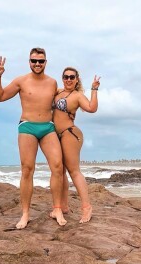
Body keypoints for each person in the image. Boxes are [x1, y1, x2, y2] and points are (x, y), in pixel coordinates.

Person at [0, 47, 67, 229]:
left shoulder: (52, 82)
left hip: (48, 127)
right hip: (27, 127)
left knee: (58, 166)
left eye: (40, 61)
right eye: (34, 61)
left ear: (45, 63)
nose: (37, 64)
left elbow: (64, 102)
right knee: (27, 169)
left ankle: (57, 209)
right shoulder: (21, 81)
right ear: (29, 62)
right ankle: (25, 214)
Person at [52, 67, 100, 223]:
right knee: (60, 171)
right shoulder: (57, 92)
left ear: (77, 79)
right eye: (66, 77)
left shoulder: (78, 96)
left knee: (74, 171)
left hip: (70, 134)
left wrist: (94, 89)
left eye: (72, 77)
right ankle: (63, 206)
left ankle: (87, 208)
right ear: (62, 78)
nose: (68, 80)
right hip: (55, 135)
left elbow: (92, 108)